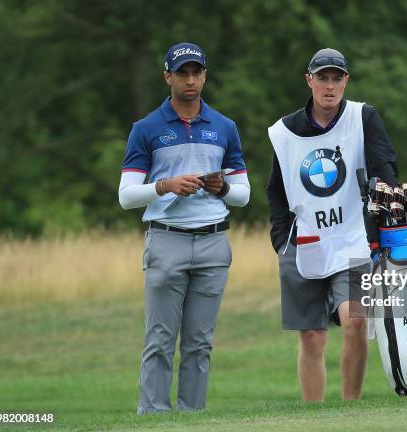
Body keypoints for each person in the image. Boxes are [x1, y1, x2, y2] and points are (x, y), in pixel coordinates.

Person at [118, 42, 250, 414]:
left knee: (199, 343)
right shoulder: (146, 129)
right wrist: (166, 185)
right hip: (167, 240)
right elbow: (127, 196)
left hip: (213, 242)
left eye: (196, 72)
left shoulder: (224, 127)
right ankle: (155, 417)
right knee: (159, 340)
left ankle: (192, 417)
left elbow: (242, 195)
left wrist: (221, 187)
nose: (190, 80)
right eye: (182, 73)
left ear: (205, 75)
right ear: (168, 77)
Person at [267, 48, 398, 401]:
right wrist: (281, 239)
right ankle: (315, 416)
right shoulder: (284, 132)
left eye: (336, 78)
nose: (329, 86)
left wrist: (387, 207)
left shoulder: (362, 117)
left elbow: (385, 168)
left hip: (353, 238)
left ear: (346, 81)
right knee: (312, 336)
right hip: (305, 242)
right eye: (322, 78)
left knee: (357, 320)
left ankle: (349, 408)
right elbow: (276, 192)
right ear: (309, 81)